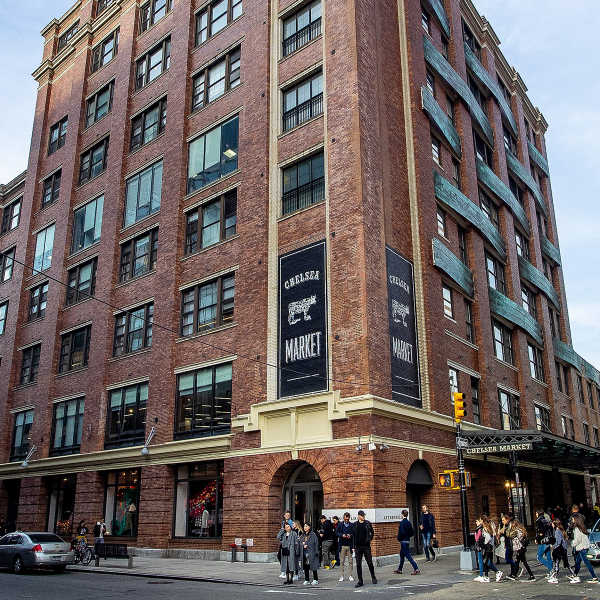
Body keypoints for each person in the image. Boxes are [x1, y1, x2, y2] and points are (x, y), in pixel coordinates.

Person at [570, 513, 598, 584]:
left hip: (582, 548)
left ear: (576, 520)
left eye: (573, 519)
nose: (572, 521)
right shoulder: (582, 527)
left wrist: (572, 543)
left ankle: (594, 577)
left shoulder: (577, 529)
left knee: (586, 563)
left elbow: (578, 539)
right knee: (577, 562)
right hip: (584, 547)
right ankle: (575, 574)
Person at [474, 517, 503, 582]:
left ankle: (497, 571)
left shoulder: (485, 529)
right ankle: (487, 576)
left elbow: (488, 537)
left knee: (485, 561)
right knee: (485, 561)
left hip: (486, 547)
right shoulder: (487, 529)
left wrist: (484, 543)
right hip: (487, 547)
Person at [353, 510, 377, 588]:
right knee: (358, 564)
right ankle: (360, 581)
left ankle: (373, 576)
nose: (363, 517)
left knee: (369, 562)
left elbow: (372, 532)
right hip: (358, 546)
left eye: (364, 516)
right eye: (362, 516)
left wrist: (369, 539)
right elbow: (353, 536)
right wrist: (353, 547)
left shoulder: (367, 523)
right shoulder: (355, 524)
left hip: (366, 546)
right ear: (359, 516)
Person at [548, 518, 575, 583]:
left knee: (557, 563)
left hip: (560, 550)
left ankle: (555, 578)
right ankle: (574, 574)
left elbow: (558, 542)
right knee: (562, 563)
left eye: (552, 524)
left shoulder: (557, 531)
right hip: (563, 549)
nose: (552, 525)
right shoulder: (561, 530)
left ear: (555, 524)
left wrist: (553, 546)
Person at [394, 509, 419, 575]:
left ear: (402, 515)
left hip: (403, 541)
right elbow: (412, 533)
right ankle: (400, 569)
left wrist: (399, 538)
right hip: (407, 540)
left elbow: (402, 532)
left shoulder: (402, 523)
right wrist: (408, 536)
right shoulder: (409, 523)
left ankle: (416, 568)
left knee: (407, 555)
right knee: (402, 555)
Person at [336, 512, 355, 582]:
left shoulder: (352, 525)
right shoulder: (340, 525)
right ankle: (341, 575)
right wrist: (342, 535)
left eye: (347, 519)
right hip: (342, 545)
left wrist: (350, 535)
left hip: (349, 545)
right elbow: (336, 533)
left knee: (350, 561)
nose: (346, 520)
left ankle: (350, 575)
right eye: (345, 519)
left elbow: (354, 534)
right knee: (342, 561)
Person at [535, 508, 553, 575]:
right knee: (548, 557)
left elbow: (541, 533)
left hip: (543, 541)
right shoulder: (545, 520)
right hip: (548, 540)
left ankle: (551, 569)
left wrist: (537, 539)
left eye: (536, 513)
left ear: (538, 514)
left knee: (539, 557)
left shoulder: (539, 521)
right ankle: (552, 573)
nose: (536, 514)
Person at [279, 511, 294, 578]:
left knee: (288, 558)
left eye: (288, 515)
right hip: (283, 541)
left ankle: (286, 572)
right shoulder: (283, 522)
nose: (287, 516)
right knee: (281, 555)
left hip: (288, 542)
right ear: (284, 516)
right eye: (286, 515)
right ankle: (284, 570)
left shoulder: (291, 522)